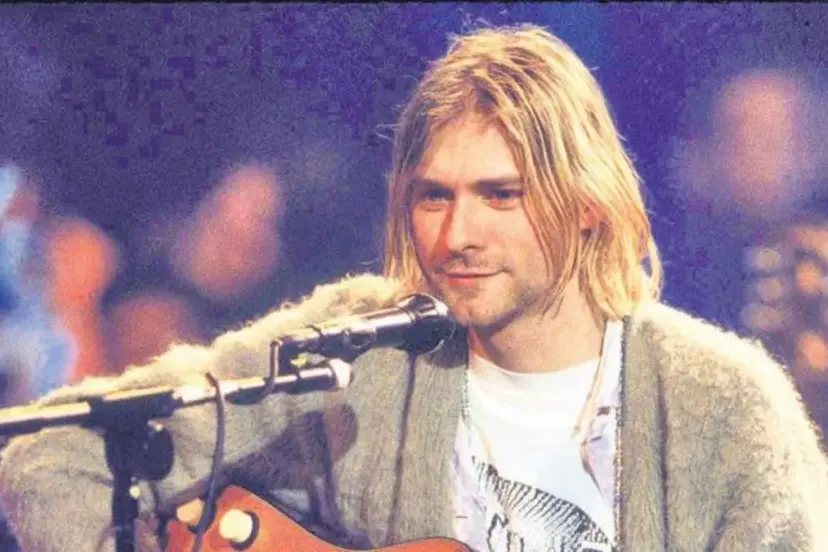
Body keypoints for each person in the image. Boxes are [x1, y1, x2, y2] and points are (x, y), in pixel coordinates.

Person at [1, 24, 827, 552]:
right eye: (434, 196)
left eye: (500, 195)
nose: (456, 234)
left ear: (586, 204)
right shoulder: (357, 354)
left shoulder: (724, 405)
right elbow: (50, 463)